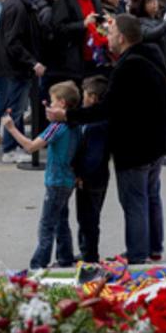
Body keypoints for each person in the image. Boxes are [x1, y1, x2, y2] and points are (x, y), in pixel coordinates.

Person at [45, 14, 166, 264]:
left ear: (122, 39)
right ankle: (152, 247)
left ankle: (137, 255)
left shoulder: (128, 67)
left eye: (111, 34)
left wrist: (67, 115)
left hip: (135, 146)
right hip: (156, 141)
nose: (107, 38)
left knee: (134, 200)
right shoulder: (151, 55)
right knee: (151, 195)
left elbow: (106, 109)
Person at [2, 80, 81, 269]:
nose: (49, 106)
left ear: (62, 104)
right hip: (68, 179)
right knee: (61, 220)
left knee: (47, 225)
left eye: (52, 103)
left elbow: (30, 146)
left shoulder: (56, 127)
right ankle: (65, 258)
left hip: (56, 180)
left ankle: (39, 264)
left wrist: (12, 128)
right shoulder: (74, 124)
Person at [0, 0, 47, 163]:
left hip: (12, 67)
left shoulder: (16, 4)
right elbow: (13, 41)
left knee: (15, 108)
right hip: (15, 68)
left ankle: (14, 146)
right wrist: (32, 62)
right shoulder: (18, 6)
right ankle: (10, 149)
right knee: (15, 109)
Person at [72, 75, 110, 263]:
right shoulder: (95, 120)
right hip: (97, 177)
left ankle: (90, 254)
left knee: (89, 218)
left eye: (85, 94)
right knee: (86, 217)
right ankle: (86, 250)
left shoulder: (96, 125)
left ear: (93, 98)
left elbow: (93, 157)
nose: (82, 98)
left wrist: (82, 175)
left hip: (92, 179)